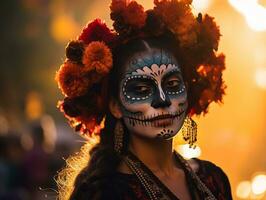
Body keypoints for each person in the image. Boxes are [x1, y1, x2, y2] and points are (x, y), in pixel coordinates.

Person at [55, 0, 232, 199]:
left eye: (172, 85)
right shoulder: (103, 193)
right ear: (115, 106)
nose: (162, 100)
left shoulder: (213, 179)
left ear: (187, 90)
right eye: (141, 89)